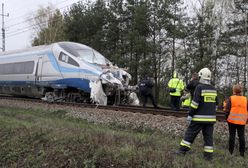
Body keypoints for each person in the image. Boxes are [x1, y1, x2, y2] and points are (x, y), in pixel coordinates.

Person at [176, 67, 217, 161]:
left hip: (198, 118)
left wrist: (190, 114)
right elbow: (216, 105)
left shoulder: (199, 87)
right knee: (208, 138)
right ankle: (208, 157)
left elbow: (195, 103)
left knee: (190, 134)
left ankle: (182, 151)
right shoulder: (214, 89)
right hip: (210, 120)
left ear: (201, 76)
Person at [224, 84, 248, 157]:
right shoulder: (245, 99)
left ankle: (230, 151)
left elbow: (227, 110)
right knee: (241, 136)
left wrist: (227, 118)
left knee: (232, 136)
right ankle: (242, 153)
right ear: (241, 91)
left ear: (234, 91)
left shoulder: (231, 98)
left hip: (232, 121)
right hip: (242, 121)